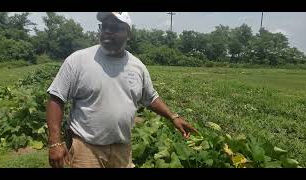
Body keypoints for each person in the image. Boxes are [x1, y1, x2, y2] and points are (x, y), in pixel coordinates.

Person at [46, 12, 198, 168]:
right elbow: (56, 98)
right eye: (104, 26)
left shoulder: (137, 66)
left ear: (128, 33)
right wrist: (55, 142)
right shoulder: (78, 60)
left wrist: (173, 117)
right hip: (86, 147)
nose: (107, 31)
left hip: (122, 149)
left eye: (115, 27)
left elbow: (151, 98)